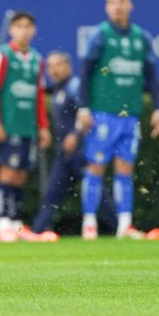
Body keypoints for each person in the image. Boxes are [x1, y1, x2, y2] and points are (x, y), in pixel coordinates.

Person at [76, 0, 159, 240]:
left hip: (131, 114)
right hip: (103, 113)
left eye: (121, 1)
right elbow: (84, 73)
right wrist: (83, 107)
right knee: (95, 167)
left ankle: (124, 224)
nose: (117, 6)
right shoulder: (99, 35)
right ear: (106, 7)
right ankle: (89, 223)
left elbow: (150, 77)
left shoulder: (141, 38)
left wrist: (158, 108)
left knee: (125, 169)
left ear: (130, 5)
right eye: (112, 2)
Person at [29, 51, 116, 239]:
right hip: (65, 154)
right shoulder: (58, 90)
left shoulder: (75, 86)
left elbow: (87, 112)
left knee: (97, 193)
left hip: (82, 151)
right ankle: (37, 232)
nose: (53, 70)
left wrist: (75, 135)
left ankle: (119, 227)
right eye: (50, 66)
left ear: (68, 66)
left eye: (57, 65)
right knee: (52, 194)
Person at [0, 12, 52, 243]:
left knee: (21, 175)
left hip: (28, 127)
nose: (24, 31)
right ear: (12, 30)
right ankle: (3, 224)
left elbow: (40, 95)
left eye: (28, 26)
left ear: (34, 31)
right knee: (7, 172)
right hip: (8, 124)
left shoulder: (37, 59)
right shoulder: (1, 56)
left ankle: (17, 223)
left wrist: (43, 126)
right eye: (19, 26)